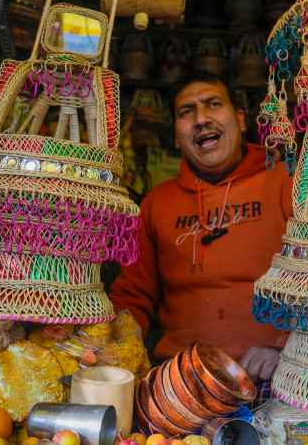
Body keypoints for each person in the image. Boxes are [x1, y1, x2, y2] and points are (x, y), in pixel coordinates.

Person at [109, 73, 292, 381]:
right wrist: (120, 355)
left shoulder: (288, 184)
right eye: (186, 111)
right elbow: (132, 296)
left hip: (277, 375)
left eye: (213, 104)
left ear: (241, 119)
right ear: (177, 138)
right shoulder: (157, 203)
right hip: (181, 380)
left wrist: (287, 348)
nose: (201, 119)